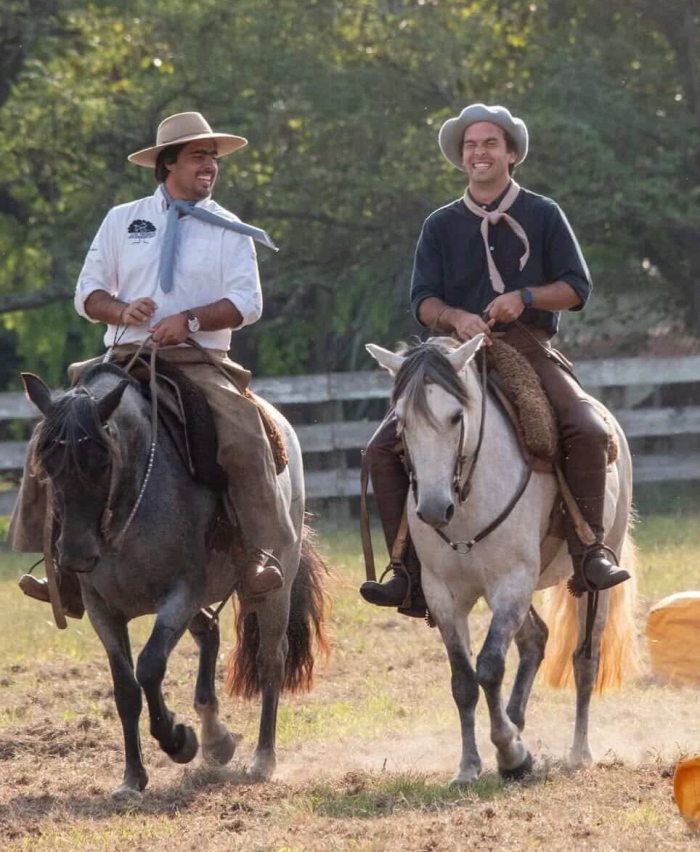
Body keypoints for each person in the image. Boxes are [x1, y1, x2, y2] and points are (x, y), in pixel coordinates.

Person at [13, 111, 296, 613]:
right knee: (55, 431)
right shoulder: (123, 218)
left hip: (199, 359)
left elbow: (248, 302)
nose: (210, 165)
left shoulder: (232, 228)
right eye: (198, 156)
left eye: (213, 157)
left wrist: (187, 320)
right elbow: (87, 293)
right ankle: (57, 566)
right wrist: (123, 310)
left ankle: (259, 554)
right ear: (169, 163)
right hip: (122, 356)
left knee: (245, 430)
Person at [360, 103, 630, 611]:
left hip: (526, 344)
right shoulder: (439, 224)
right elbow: (422, 300)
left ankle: (589, 548)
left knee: (586, 428)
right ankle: (404, 567)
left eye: (489, 143)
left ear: (511, 153)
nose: (478, 152)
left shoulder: (543, 213)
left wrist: (524, 298)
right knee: (380, 448)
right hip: (451, 351)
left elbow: (577, 287)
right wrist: (456, 318)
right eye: (470, 145)